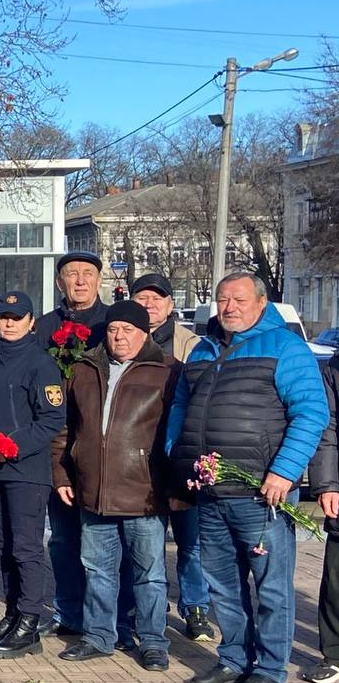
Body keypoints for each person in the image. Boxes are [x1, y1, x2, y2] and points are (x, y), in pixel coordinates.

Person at [167, 271, 327, 683]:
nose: (229, 307)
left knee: (271, 586)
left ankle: (271, 670)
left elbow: (311, 412)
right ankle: (234, 659)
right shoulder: (202, 349)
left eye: (239, 299)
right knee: (223, 584)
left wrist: (284, 472)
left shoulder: (285, 347)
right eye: (223, 299)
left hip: (262, 493)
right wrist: (177, 453)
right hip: (211, 492)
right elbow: (181, 407)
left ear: (261, 303)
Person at [51, 301, 179, 671]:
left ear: (145, 333)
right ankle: (98, 636)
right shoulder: (85, 368)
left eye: (127, 330)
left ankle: (153, 642)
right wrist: (62, 474)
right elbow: (66, 428)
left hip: (143, 493)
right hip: (94, 490)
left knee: (150, 575)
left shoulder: (167, 371)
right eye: (112, 329)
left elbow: (178, 431)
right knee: (97, 570)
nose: (118, 337)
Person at [0, 291, 66, 659]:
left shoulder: (41, 364)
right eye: (4, 316)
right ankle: (12, 614)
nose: (9, 323)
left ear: (31, 322)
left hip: (25, 470)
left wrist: (13, 446)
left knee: (26, 549)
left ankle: (29, 622)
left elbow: (52, 418)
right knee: (4, 546)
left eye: (17, 317)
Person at [131, 273, 212, 642]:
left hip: (180, 458)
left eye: (157, 298)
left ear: (170, 305)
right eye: (142, 298)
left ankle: (195, 607)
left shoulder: (192, 345)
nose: (149, 305)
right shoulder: (121, 340)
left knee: (190, 540)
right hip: (138, 460)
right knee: (144, 544)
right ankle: (150, 606)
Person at [35, 250, 109, 638]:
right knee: (63, 540)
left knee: (103, 544)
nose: (80, 280)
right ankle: (68, 613)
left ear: (99, 280)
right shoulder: (45, 327)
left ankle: (106, 619)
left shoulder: (112, 323)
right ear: (59, 282)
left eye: (87, 273)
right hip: (58, 446)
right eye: (71, 274)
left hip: (102, 448)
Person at [305, 348, 339, 683]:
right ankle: (335, 655)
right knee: (336, 577)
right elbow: (327, 430)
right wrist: (328, 484)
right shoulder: (334, 369)